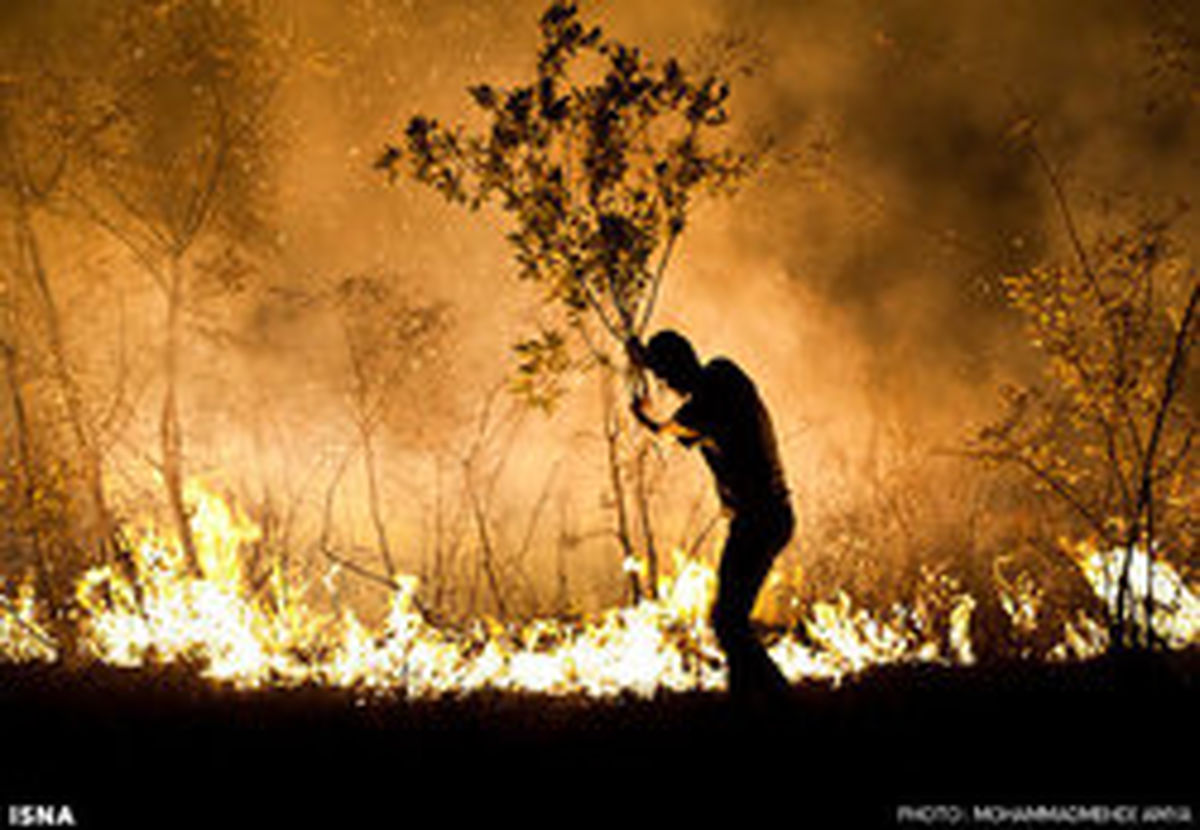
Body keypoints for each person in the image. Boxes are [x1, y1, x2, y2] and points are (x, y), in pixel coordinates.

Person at [627, 330, 794, 701]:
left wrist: (644, 418)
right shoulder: (724, 372)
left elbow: (669, 429)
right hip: (769, 515)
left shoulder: (705, 402)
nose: (667, 387)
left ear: (675, 370)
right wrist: (645, 359)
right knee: (731, 620)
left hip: (758, 520)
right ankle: (746, 705)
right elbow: (689, 411)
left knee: (728, 622)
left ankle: (781, 700)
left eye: (665, 378)